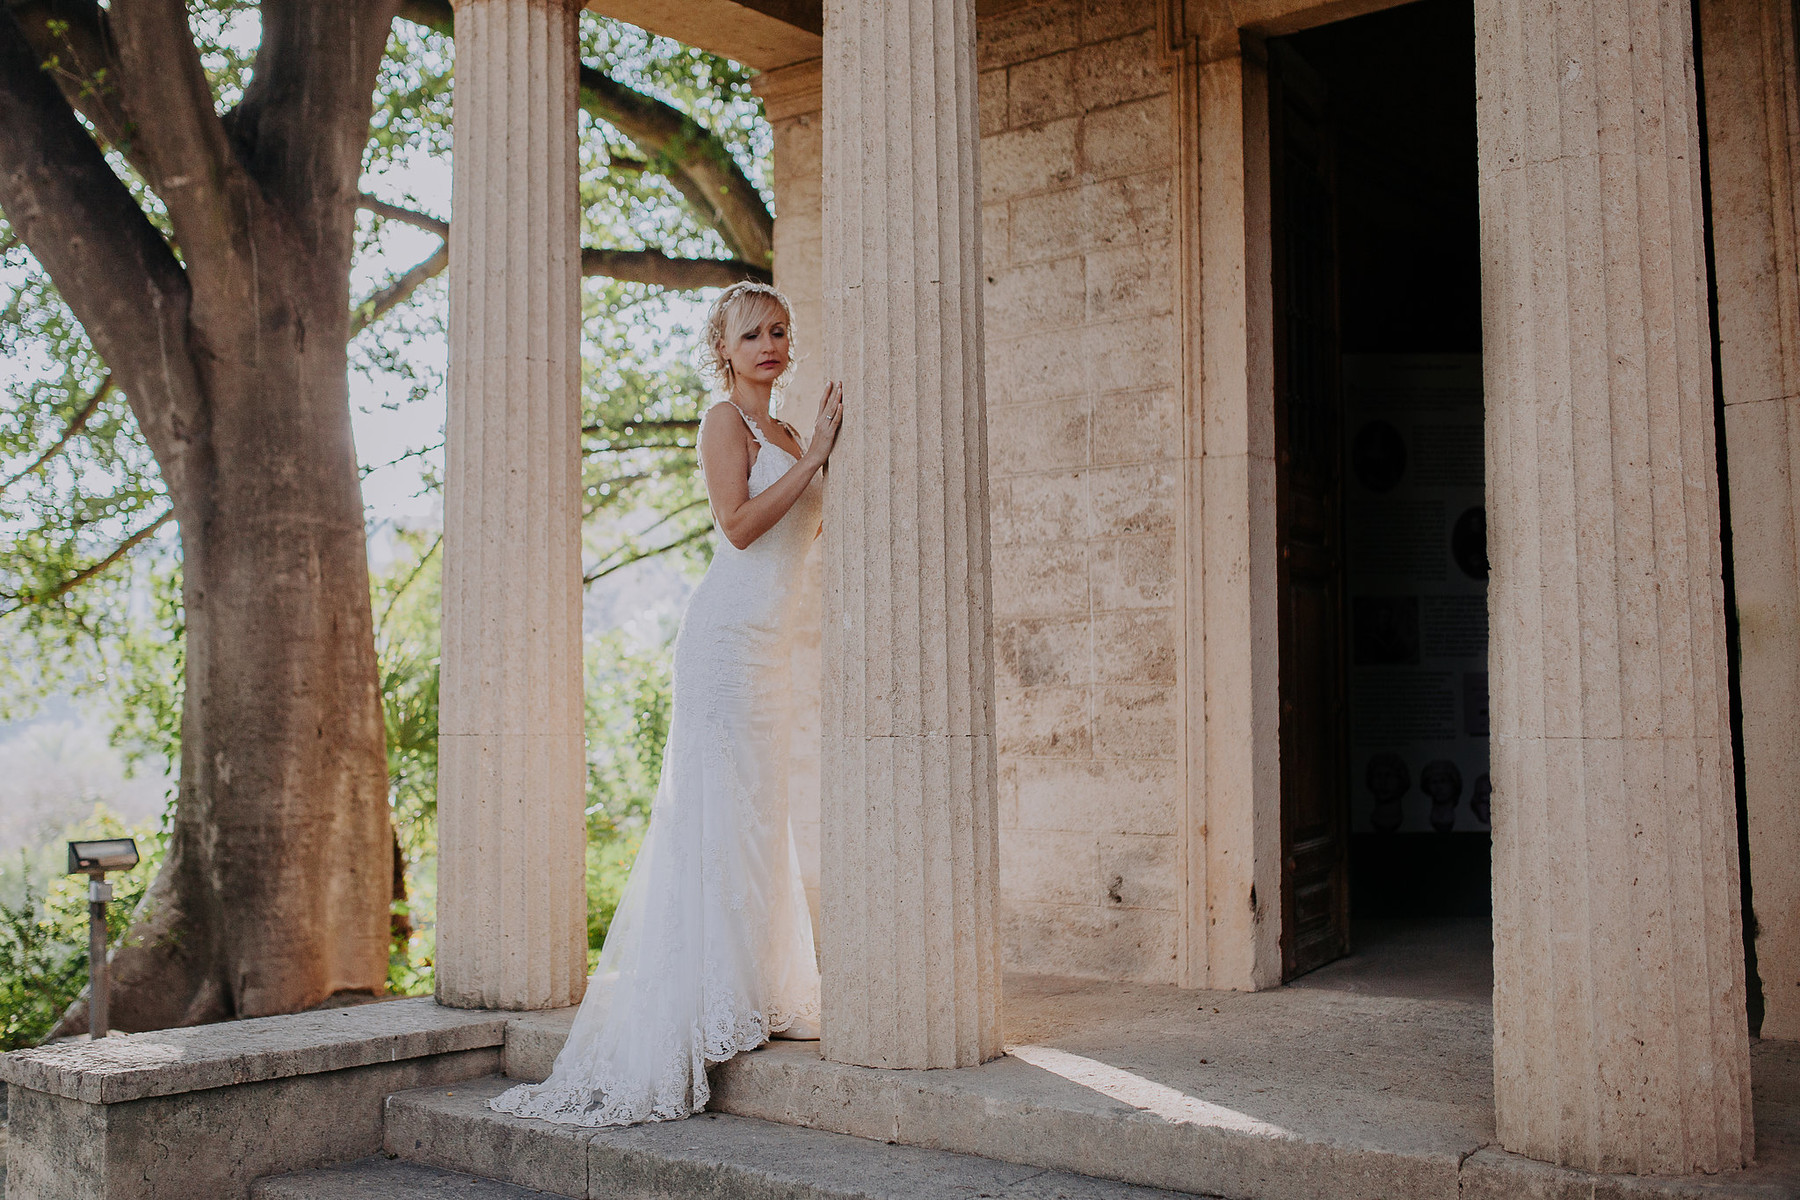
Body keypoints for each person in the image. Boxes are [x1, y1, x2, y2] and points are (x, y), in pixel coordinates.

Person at [490, 281, 846, 1128]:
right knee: (716, 810)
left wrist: (816, 454)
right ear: (724, 349)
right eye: (753, 333)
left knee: (763, 810)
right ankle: (707, 998)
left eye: (780, 331)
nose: (771, 344)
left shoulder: (793, 432)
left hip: (772, 645)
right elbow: (739, 525)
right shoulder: (726, 422)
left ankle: (758, 991)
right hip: (723, 642)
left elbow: (808, 531)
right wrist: (816, 457)